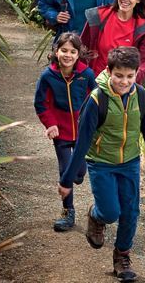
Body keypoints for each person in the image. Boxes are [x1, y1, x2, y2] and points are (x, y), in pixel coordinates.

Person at [58, 46, 145, 282]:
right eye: (119, 76)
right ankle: (97, 216)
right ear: (109, 71)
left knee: (130, 212)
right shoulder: (97, 100)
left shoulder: (143, 98)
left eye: (130, 76)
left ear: (137, 73)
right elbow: (83, 141)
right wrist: (67, 180)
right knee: (110, 211)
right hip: (102, 163)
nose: (124, 81)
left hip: (129, 163)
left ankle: (122, 256)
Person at [33, 32, 96, 232]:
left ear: (79, 54)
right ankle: (68, 212)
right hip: (60, 132)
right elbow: (40, 103)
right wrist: (50, 124)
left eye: (72, 51)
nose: (67, 55)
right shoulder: (48, 76)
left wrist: (95, 122)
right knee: (65, 171)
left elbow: (97, 99)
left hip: (82, 131)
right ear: (56, 51)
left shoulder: (86, 75)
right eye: (64, 50)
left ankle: (79, 170)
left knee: (78, 171)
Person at [80, 0, 145, 84]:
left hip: (124, 86)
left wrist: (131, 79)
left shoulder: (144, 28)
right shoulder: (98, 16)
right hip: (95, 82)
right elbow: (81, 48)